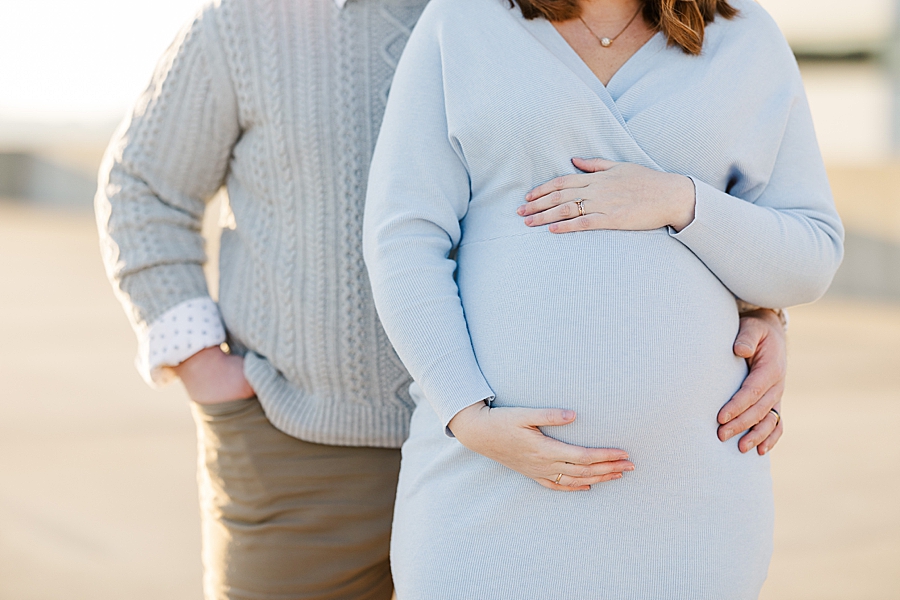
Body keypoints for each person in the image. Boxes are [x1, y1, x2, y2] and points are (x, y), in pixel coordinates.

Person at [95, 0, 791, 597]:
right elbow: (142, 189)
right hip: (308, 448)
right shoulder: (250, 22)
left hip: (529, 464)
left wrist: (760, 313)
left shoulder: (544, 16)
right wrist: (203, 367)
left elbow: (671, 176)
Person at [363, 0, 843, 597]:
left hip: (686, 507)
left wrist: (682, 202)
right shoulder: (463, 21)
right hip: (487, 487)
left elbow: (810, 256)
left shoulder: (743, 35)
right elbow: (404, 236)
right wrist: (467, 415)